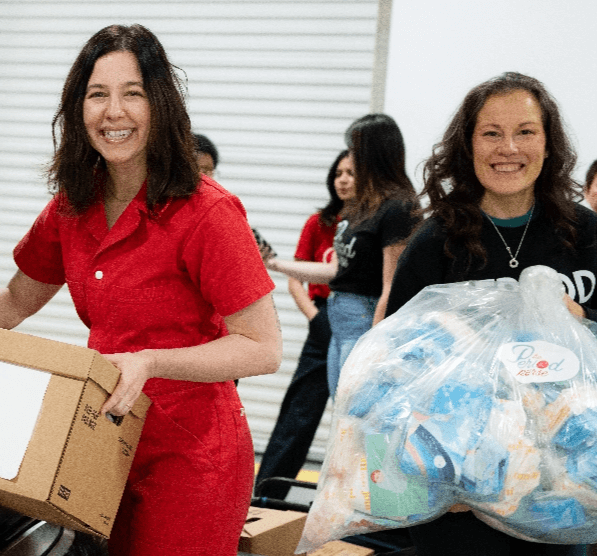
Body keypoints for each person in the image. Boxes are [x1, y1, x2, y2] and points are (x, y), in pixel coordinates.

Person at [0, 24, 282, 556]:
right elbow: (16, 301)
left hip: (191, 456)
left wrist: (150, 361)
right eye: (97, 94)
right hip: (104, 441)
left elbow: (262, 348)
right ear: (78, 110)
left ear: (161, 105)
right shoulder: (73, 205)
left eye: (133, 94)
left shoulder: (207, 212)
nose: (113, 112)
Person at [384, 71, 594, 556]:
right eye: (491, 133)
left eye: (525, 131)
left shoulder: (587, 234)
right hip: (460, 495)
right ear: (468, 145)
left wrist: (579, 318)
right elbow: (390, 374)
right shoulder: (435, 243)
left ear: (548, 143)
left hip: (561, 494)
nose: (509, 148)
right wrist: (420, 487)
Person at [265, 114, 420, 397]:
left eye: (355, 150)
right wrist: (274, 264)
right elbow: (338, 271)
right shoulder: (359, 205)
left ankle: (374, 446)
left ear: (374, 154)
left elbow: (391, 287)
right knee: (344, 411)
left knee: (364, 416)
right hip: (341, 321)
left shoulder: (398, 207)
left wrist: (377, 344)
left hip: (366, 321)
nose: (350, 157)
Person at [255, 150, 352, 498]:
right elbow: (297, 276)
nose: (343, 179)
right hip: (324, 316)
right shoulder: (319, 223)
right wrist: (314, 317)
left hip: (360, 321)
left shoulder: (372, 222)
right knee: (300, 411)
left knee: (356, 415)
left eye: (352, 173)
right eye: (338, 172)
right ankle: (266, 494)